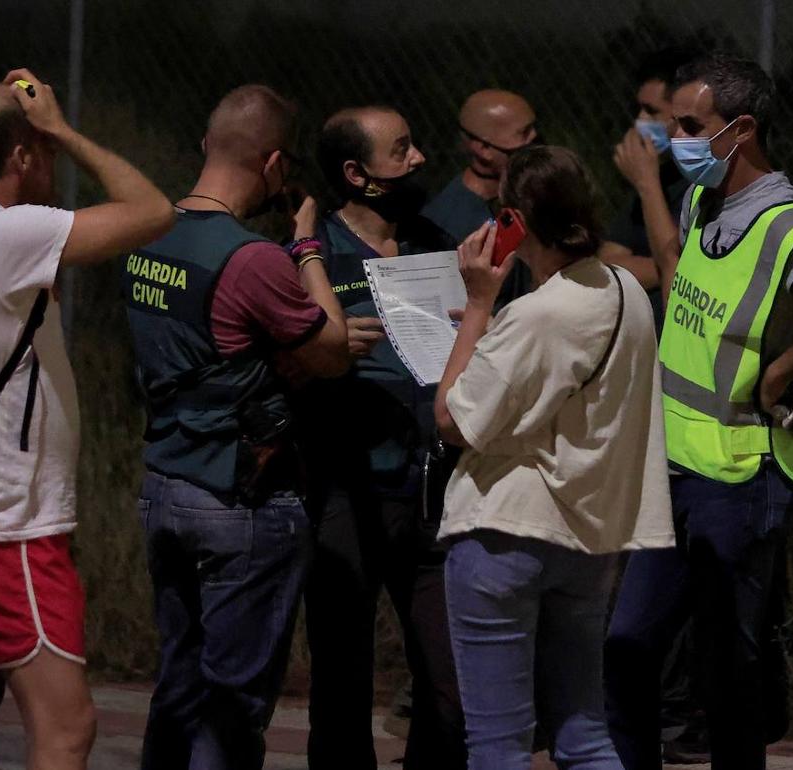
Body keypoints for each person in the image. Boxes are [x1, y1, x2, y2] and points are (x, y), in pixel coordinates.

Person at [604, 54, 793, 770]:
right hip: (675, 466)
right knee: (629, 644)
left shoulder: (785, 222)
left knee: (727, 671)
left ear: (742, 129)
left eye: (690, 126)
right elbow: (675, 273)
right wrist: (647, 186)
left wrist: (784, 371)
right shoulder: (705, 199)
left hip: (742, 475)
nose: (676, 139)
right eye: (672, 125)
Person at [0, 68, 175, 770]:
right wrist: (61, 127)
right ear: (22, 155)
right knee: (66, 728)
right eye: (41, 150)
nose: (50, 160)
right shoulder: (6, 236)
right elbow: (152, 211)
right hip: (4, 525)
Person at [124, 84, 349, 770]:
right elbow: (333, 351)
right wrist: (307, 244)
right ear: (276, 164)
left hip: (165, 482)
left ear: (205, 146)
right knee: (231, 710)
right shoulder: (251, 259)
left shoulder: (148, 234)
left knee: (179, 687)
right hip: (239, 497)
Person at [433, 145, 674, 770]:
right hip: (588, 541)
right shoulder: (624, 290)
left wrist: (481, 306)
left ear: (513, 218)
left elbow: (453, 420)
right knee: (585, 734)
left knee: (499, 745)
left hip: (504, 533)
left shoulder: (537, 313)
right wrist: (497, 325)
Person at [294, 105, 465, 770]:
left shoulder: (433, 241)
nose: (419, 159)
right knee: (341, 687)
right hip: (347, 494)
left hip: (437, 490)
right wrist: (324, 351)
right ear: (356, 173)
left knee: (449, 686)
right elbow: (278, 367)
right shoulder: (316, 255)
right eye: (401, 150)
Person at [599, 48, 696, 333]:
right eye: (639, 108)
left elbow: (678, 271)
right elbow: (609, 260)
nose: (640, 120)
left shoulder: (702, 182)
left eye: (652, 111)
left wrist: (646, 182)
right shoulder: (661, 174)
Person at [422, 88, 538, 304]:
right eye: (524, 133)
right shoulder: (448, 224)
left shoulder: (524, 195)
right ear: (483, 148)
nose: (535, 140)